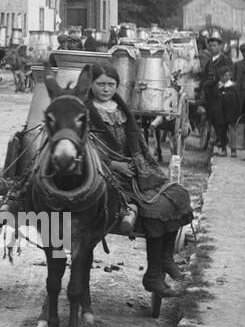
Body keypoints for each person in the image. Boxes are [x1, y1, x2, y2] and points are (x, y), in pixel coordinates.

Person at [83, 64, 193, 296]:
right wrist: (114, 165)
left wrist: (143, 165)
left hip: (134, 170)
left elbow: (139, 144)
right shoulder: (83, 111)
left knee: (176, 195)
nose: (105, 89)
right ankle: (154, 275)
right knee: (151, 209)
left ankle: (162, 260)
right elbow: (83, 148)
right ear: (91, 85)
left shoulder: (122, 109)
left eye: (111, 84)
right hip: (102, 174)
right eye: (100, 84)